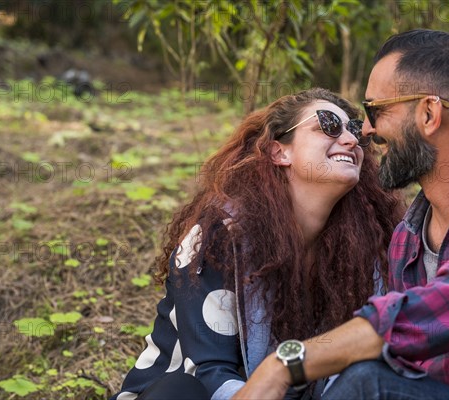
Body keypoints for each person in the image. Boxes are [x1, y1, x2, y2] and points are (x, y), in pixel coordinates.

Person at [233, 29, 449, 400]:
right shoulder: (407, 239)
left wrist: (285, 363)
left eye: (375, 111)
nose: (366, 131)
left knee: (367, 383)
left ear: (429, 113)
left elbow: (444, 308)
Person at [110, 88, 404, 400]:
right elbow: (208, 370)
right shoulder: (219, 236)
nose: (350, 140)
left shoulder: (367, 245)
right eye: (328, 125)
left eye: (355, 129)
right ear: (280, 152)